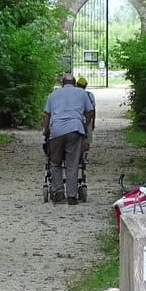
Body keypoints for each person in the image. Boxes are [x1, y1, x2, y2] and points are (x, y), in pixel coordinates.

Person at [43, 72, 92, 205]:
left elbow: (47, 115)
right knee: (73, 163)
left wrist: (46, 131)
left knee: (55, 162)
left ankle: (58, 192)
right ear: (75, 83)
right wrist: (84, 124)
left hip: (57, 130)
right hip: (75, 130)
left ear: (62, 83)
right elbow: (90, 111)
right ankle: (72, 195)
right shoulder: (82, 94)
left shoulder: (53, 95)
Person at [76, 76, 97, 148]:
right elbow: (93, 110)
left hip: (76, 118)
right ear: (85, 86)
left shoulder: (73, 94)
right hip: (87, 119)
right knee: (87, 139)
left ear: (77, 84)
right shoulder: (89, 94)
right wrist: (93, 122)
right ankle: (85, 155)